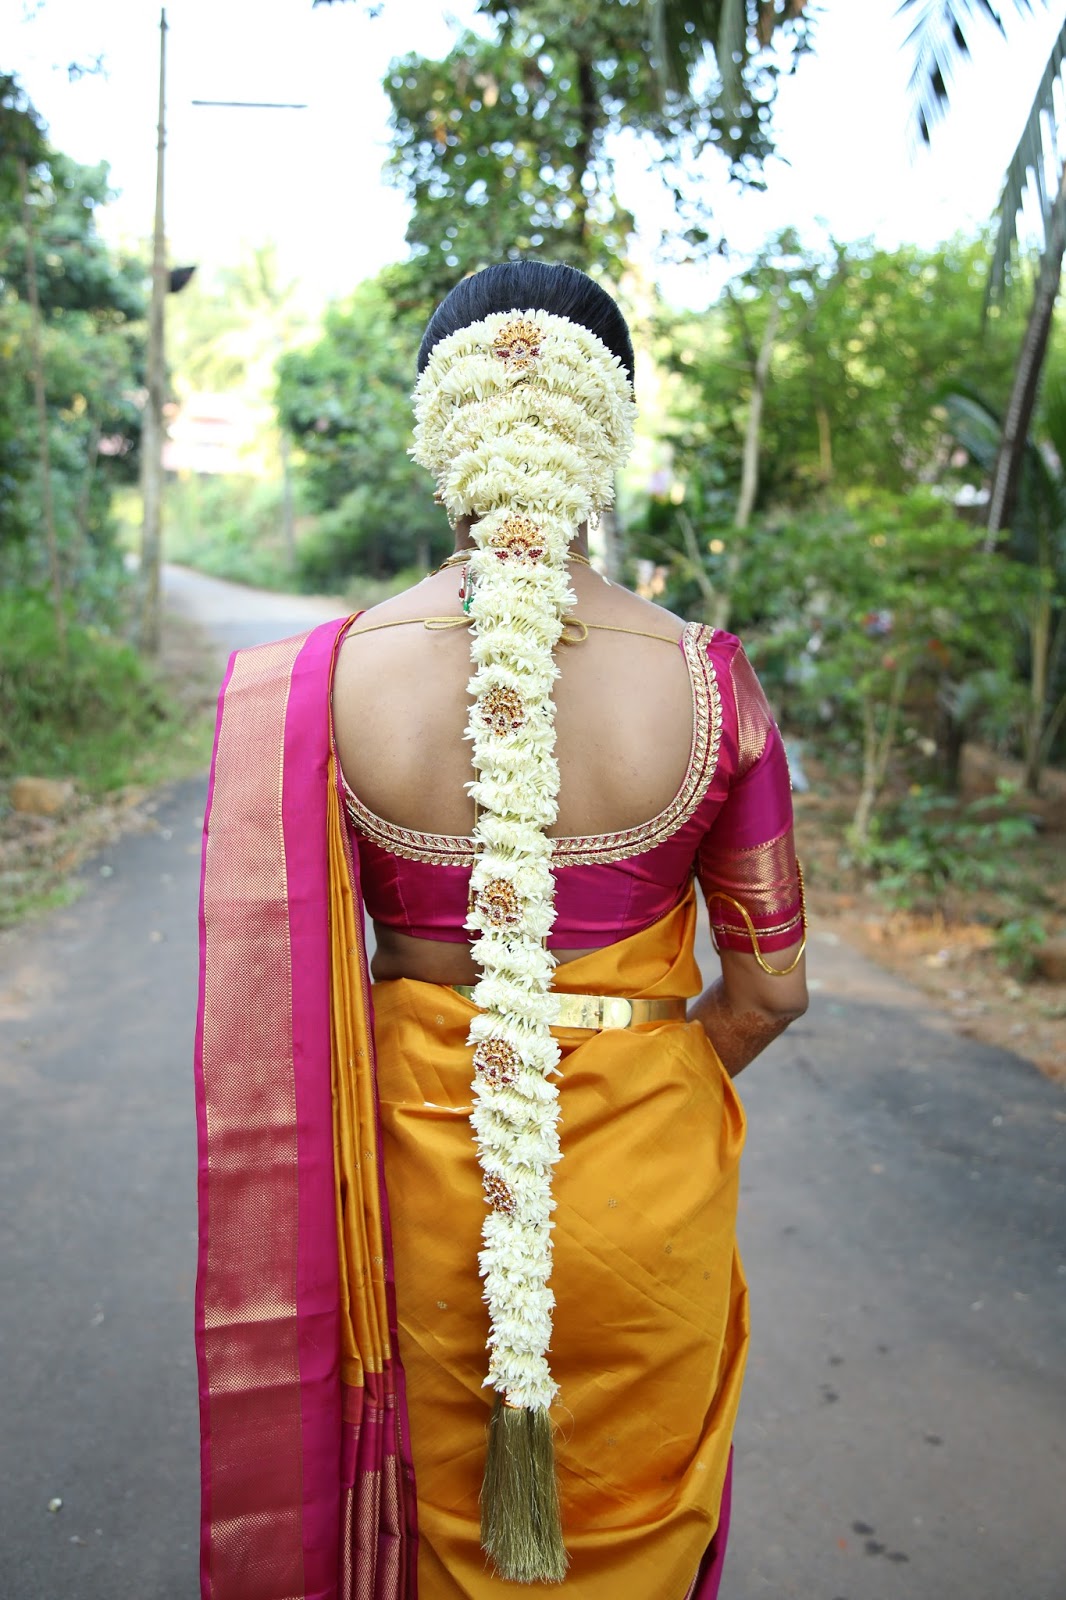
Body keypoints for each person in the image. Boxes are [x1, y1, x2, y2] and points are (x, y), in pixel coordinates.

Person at [194, 260, 807, 1600]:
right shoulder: (708, 681)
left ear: (440, 426)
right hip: (643, 1192)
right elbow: (766, 996)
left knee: (418, 1524)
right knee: (625, 1532)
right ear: (608, 426)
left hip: (406, 1184)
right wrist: (637, 1074)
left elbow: (274, 995)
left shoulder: (319, 680)